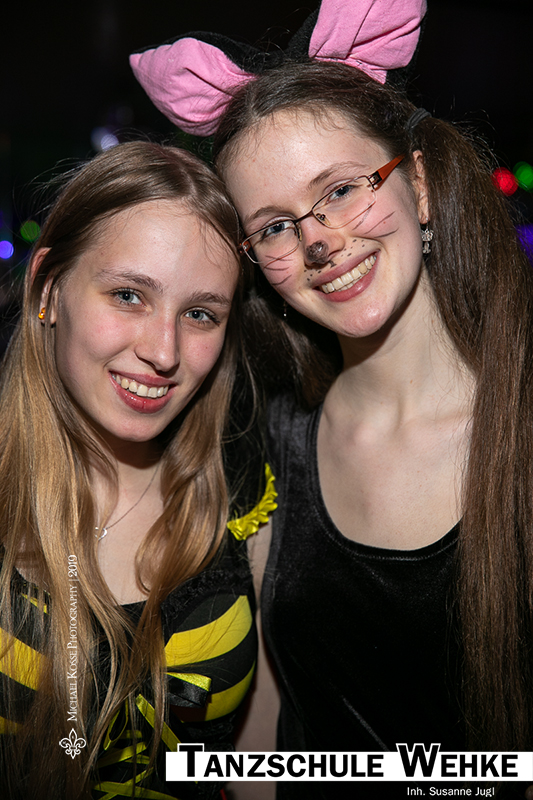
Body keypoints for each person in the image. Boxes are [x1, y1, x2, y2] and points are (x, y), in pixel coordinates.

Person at [130, 2, 533, 797]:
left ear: (419, 185)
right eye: (274, 227)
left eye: (342, 189)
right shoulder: (268, 438)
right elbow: (263, 724)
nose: (317, 239)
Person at [0, 141, 276, 800]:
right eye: (128, 295)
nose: (164, 351)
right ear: (48, 288)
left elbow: (257, 756)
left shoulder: (244, 498)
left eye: (200, 313)